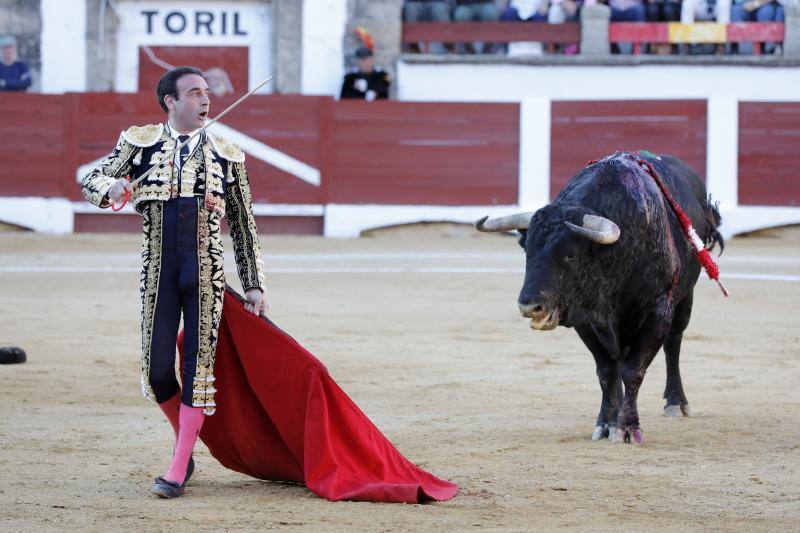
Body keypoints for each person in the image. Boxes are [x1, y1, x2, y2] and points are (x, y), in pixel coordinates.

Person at [81, 66, 266, 498]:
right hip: (159, 272)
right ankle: (187, 440)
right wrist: (111, 189)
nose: (206, 100)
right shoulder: (140, 143)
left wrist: (254, 283)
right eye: (195, 93)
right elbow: (92, 178)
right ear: (171, 101)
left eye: (207, 93)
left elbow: (243, 224)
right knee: (157, 371)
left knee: (198, 371)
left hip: (207, 274)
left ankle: (179, 466)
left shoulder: (227, 153)